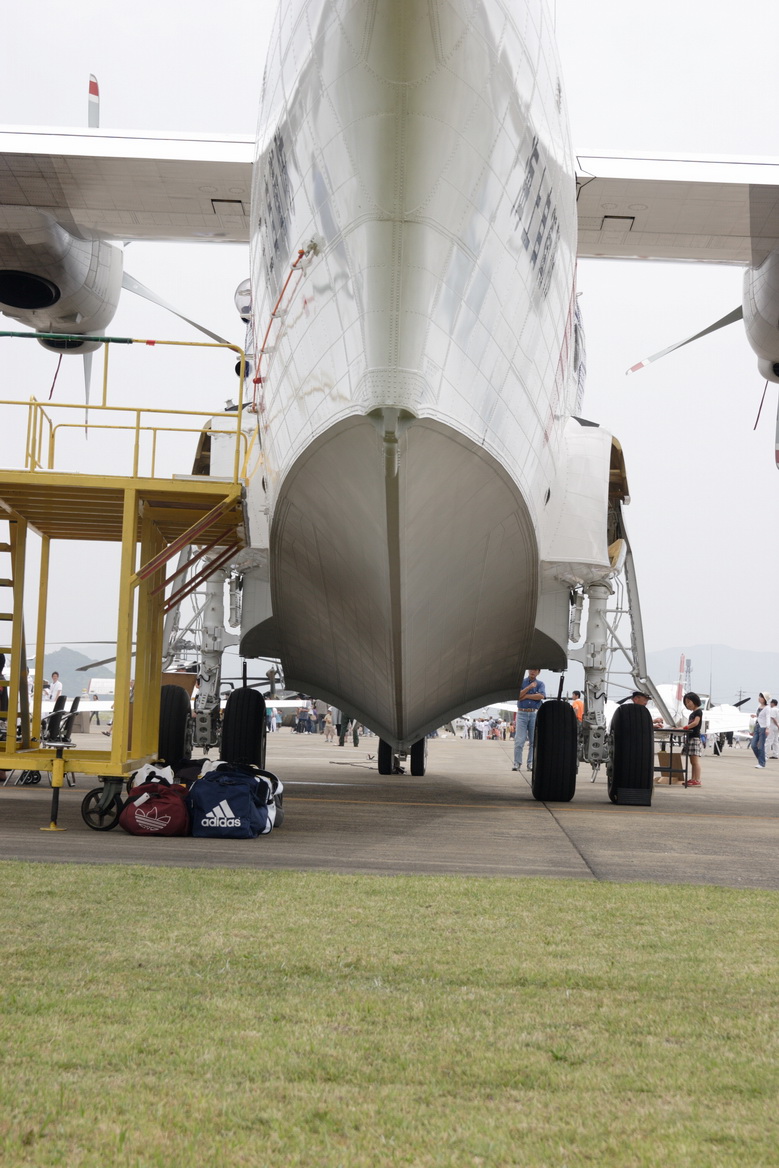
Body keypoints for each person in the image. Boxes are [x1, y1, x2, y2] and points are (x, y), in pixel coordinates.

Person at [513, 668, 545, 772]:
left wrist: (526, 695)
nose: (533, 672)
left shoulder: (540, 684)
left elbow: (541, 696)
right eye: (531, 669)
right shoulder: (521, 682)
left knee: (533, 741)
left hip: (533, 713)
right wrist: (529, 688)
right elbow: (517, 696)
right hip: (522, 713)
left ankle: (530, 763)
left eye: (535, 670)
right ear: (528, 671)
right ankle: (517, 763)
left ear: (538, 672)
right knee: (519, 740)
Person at [679, 691, 704, 786]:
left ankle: (697, 780)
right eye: (686, 703)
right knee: (692, 761)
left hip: (695, 739)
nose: (687, 704)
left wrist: (685, 727)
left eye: (689, 702)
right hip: (690, 738)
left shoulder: (698, 711)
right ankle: (693, 779)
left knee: (695, 761)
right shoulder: (692, 713)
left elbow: (696, 723)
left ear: (695, 700)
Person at [751, 693, 771, 769]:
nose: (759, 698)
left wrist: (767, 728)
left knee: (761, 746)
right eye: (759, 697)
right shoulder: (759, 706)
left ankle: (761, 763)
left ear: (765, 699)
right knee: (753, 745)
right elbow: (760, 716)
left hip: (763, 727)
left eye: (761, 697)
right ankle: (762, 758)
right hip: (757, 726)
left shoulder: (767, 708)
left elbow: (767, 718)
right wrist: (755, 716)